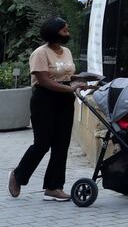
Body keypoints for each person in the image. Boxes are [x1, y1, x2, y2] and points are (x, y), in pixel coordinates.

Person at [8, 18, 88, 201]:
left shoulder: (66, 51)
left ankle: (54, 187)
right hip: (44, 99)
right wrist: (70, 88)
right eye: (65, 31)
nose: (68, 33)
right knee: (42, 143)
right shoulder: (40, 53)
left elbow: (65, 74)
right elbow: (43, 79)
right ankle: (18, 175)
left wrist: (80, 81)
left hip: (65, 100)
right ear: (53, 32)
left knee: (61, 144)